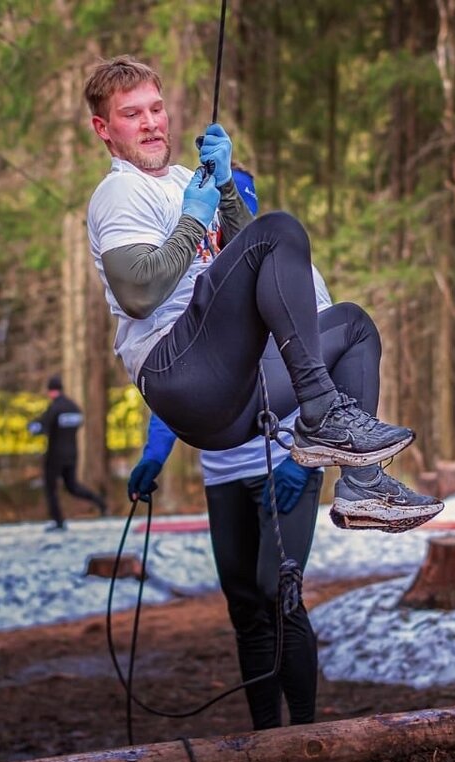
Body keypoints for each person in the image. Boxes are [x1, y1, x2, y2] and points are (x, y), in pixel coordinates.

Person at [82, 55, 442, 533]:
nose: (150, 124)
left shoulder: (183, 180)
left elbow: (262, 265)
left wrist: (226, 189)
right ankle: (321, 413)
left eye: (156, 108)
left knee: (353, 326)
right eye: (132, 114)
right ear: (103, 129)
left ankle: (363, 485)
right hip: (179, 375)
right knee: (281, 229)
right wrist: (193, 221)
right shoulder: (119, 192)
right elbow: (139, 296)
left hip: (235, 400)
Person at [129, 167, 327, 729]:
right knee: (244, 605)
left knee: (278, 596)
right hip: (222, 469)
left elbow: (326, 369)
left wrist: (303, 455)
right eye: (216, 209)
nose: (222, 220)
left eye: (233, 205)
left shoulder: (298, 276)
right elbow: (182, 379)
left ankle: (307, 734)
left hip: (286, 459)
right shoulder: (200, 284)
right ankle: (267, 735)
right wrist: (154, 452)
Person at [28, 375, 108, 529]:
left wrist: (32, 427)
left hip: (55, 455)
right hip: (72, 454)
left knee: (50, 487)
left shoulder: (54, 408)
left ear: (50, 391)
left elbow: (41, 427)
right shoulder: (73, 407)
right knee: (72, 486)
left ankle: (58, 520)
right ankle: (100, 502)